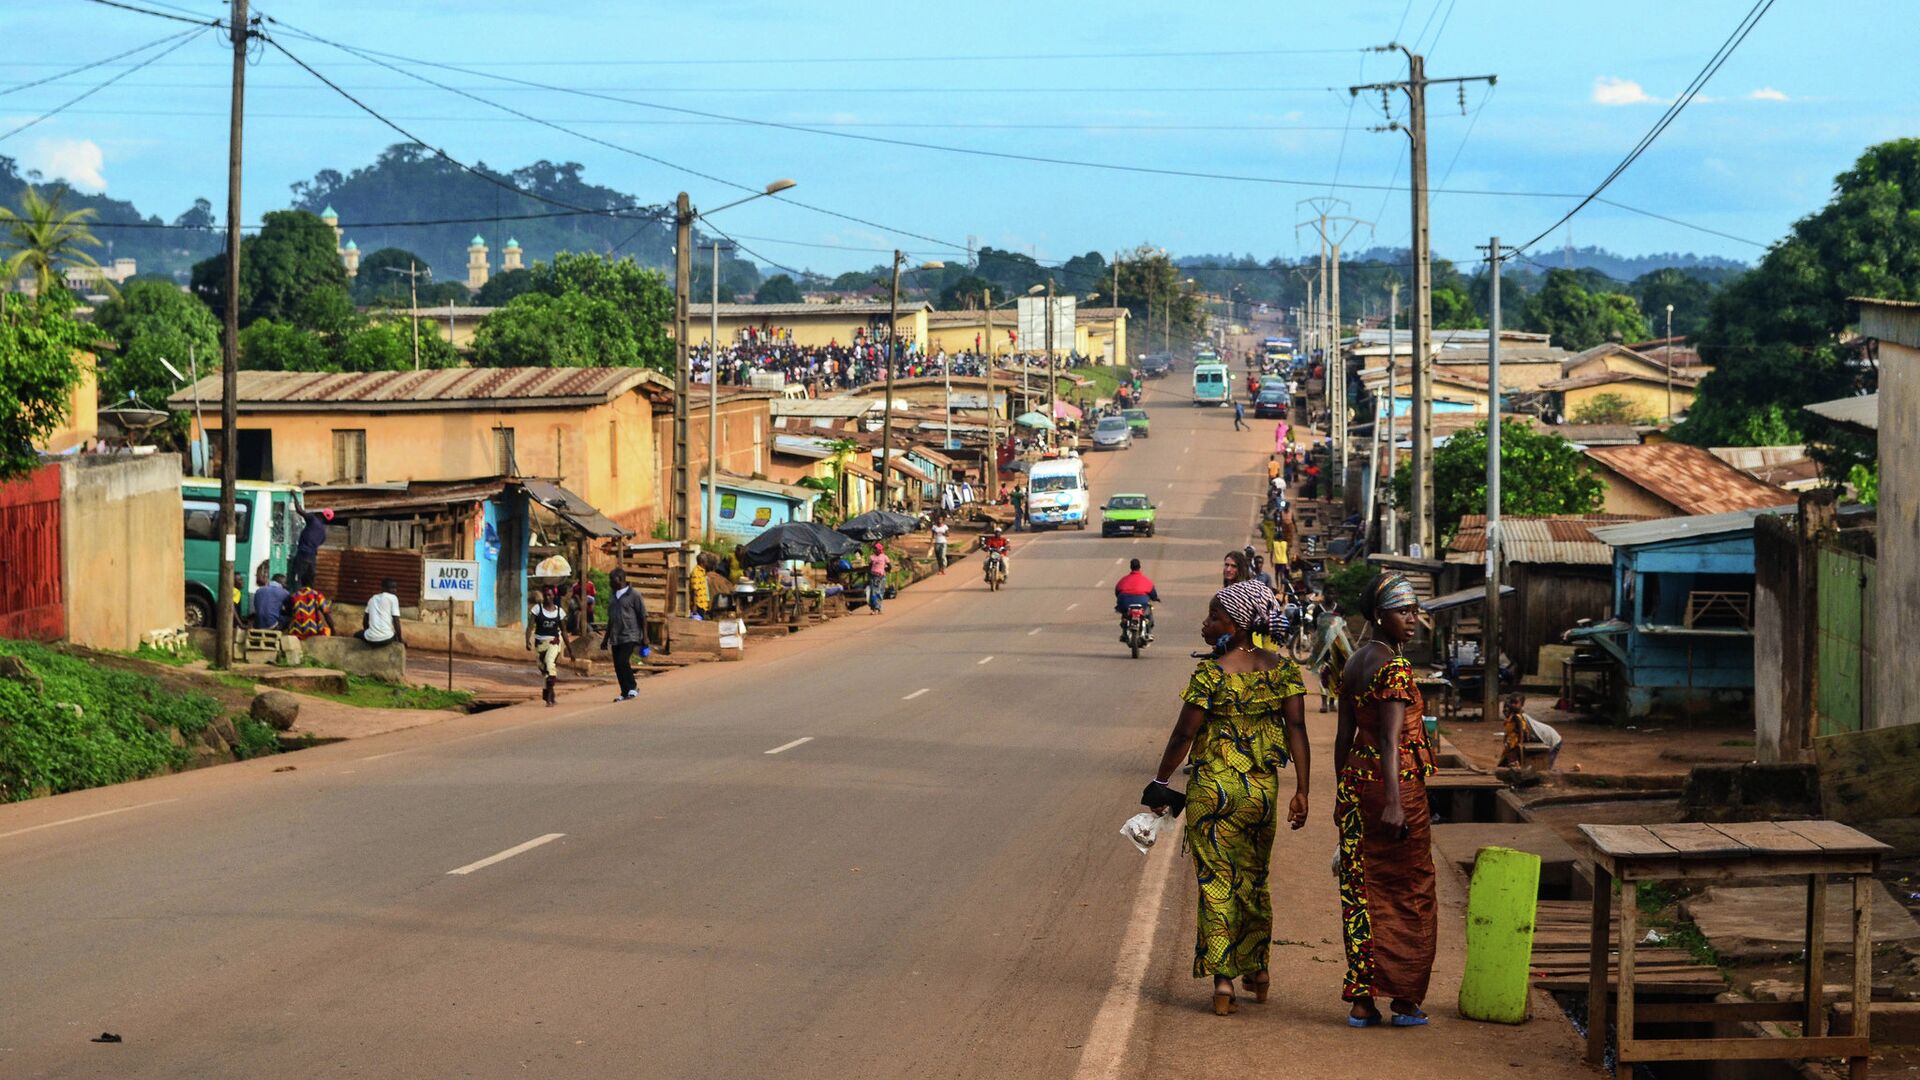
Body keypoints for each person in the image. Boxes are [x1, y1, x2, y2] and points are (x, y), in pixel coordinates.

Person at [1140, 580, 1312, 1016]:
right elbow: (1297, 731)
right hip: (1260, 792)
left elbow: (1185, 733)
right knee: (1253, 878)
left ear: (1235, 624)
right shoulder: (1283, 671)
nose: (1206, 622)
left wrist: (1160, 782)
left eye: (1214, 615)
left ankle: (1223, 982)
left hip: (1212, 793)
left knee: (1217, 883)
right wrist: (1303, 790)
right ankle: (1259, 971)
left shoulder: (1211, 674)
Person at [1334, 573, 1438, 1028]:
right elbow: (1391, 743)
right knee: (1411, 889)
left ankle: (1362, 1002)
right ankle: (1405, 1001)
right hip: (1395, 789)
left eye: (1414, 610)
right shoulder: (1394, 668)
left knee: (1362, 890)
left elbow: (1344, 738)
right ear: (1380, 615)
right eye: (1403, 611)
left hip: (1357, 786)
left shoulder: (1355, 661)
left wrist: (1342, 796)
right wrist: (1395, 803)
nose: (1412, 620)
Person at [598, 569, 650, 701]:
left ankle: (632, 687)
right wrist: (605, 638)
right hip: (616, 636)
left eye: (611, 579)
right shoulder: (612, 596)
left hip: (630, 634)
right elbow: (611, 619)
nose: (609, 582)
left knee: (623, 661)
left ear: (620, 579)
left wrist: (645, 636)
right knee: (617, 664)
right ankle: (624, 691)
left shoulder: (634, 595)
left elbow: (643, 616)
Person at [526, 586, 572, 707]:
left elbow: (564, 631)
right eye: (545, 595)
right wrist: (527, 640)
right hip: (540, 644)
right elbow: (530, 626)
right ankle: (550, 693)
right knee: (545, 670)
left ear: (554, 596)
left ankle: (549, 698)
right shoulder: (537, 609)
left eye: (550, 595)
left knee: (550, 663)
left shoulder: (559, 612)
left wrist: (570, 650)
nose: (547, 597)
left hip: (554, 642)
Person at [1308, 600, 1353, 713]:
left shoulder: (1340, 609)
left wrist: (1350, 645)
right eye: (1328, 593)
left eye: (1333, 594)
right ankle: (1324, 703)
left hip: (1338, 647)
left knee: (1337, 675)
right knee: (1323, 674)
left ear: (1335, 595)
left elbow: (1344, 627)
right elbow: (1315, 626)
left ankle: (1332, 702)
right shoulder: (1318, 609)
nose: (1330, 596)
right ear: (1325, 594)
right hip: (1323, 647)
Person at [1113, 557, 1160, 640]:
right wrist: (1155, 598)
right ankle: (1149, 632)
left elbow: (1117, 591)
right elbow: (1153, 593)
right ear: (1139, 567)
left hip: (1125, 602)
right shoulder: (1145, 580)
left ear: (1131, 567)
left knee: (1124, 614)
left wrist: (1121, 600)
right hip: (1142, 602)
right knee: (1149, 611)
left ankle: (1124, 632)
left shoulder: (1124, 579)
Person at [357, 577, 403, 648]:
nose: (395, 590)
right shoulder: (393, 598)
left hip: (370, 639)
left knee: (357, 634)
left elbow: (365, 621)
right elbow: (396, 621)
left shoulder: (372, 599)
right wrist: (400, 639)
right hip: (387, 639)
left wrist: (371, 633)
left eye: (395, 588)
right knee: (393, 634)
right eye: (391, 588)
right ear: (383, 588)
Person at [286, 575, 336, 640]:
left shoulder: (293, 596)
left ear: (301, 583)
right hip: (314, 633)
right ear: (312, 582)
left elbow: (289, 614)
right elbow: (326, 613)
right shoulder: (317, 595)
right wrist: (333, 629)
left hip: (296, 633)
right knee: (327, 630)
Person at [292, 508, 332, 588]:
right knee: (309, 582)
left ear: (321, 513)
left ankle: (297, 598)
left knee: (297, 579)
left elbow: (299, 510)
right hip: (312, 558)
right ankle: (309, 599)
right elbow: (320, 542)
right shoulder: (323, 533)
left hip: (302, 554)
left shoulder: (313, 519)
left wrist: (294, 496)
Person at [866, 542, 891, 614]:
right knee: (874, 592)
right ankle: (874, 608)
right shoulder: (872, 557)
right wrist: (869, 575)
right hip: (873, 577)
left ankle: (878, 608)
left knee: (880, 592)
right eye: (874, 549)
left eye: (876, 549)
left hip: (882, 577)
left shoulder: (884, 557)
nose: (875, 550)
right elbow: (869, 567)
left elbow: (889, 566)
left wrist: (884, 569)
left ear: (880, 549)